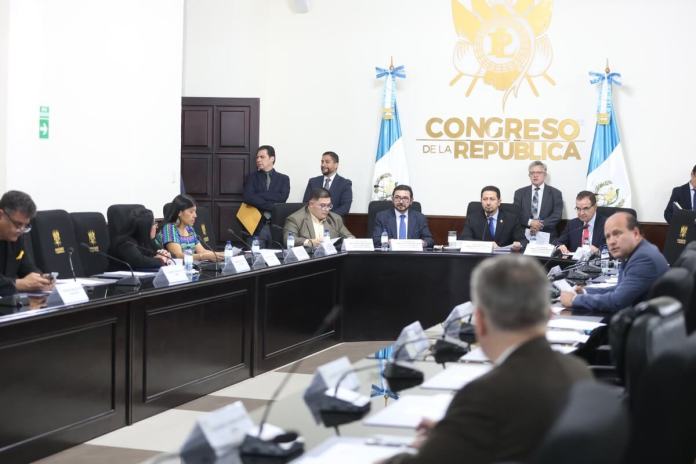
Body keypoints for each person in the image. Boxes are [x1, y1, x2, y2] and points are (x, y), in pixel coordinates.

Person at [382, 255, 592, 464]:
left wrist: (419, 448)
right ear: (548, 314)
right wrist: (455, 431)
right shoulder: (579, 370)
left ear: (480, 322)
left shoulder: (483, 394)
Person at [560, 212, 669, 313]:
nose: (611, 242)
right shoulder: (634, 253)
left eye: (617, 234)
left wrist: (575, 300)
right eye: (608, 236)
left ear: (635, 233)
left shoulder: (643, 258)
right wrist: (585, 292)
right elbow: (619, 288)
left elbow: (617, 301)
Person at [0, 191, 54, 296]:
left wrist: (41, 279)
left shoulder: (16, 237)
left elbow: (27, 267)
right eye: (18, 224)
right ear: (1, 215)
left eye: (25, 226)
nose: (21, 230)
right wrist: (18, 284)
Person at [243, 145, 290, 246]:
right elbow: (248, 197)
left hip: (276, 226)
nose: (258, 160)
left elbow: (282, 198)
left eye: (262, 157)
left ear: (272, 158)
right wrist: (273, 206)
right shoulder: (251, 177)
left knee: (276, 259)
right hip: (256, 226)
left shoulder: (284, 179)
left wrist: (259, 195)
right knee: (255, 259)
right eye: (257, 157)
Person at [459, 185, 526, 250]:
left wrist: (519, 244)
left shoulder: (511, 219)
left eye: (492, 199)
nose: (488, 203)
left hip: (504, 259)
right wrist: (487, 245)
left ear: (499, 202)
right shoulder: (472, 218)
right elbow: (465, 239)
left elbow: (523, 240)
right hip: (480, 258)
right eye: (485, 199)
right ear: (481, 201)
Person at [284, 188, 354, 248]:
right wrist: (309, 242)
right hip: (308, 260)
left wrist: (351, 240)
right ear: (311, 204)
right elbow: (288, 239)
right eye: (323, 205)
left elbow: (348, 236)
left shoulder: (335, 219)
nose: (327, 209)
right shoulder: (295, 219)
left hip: (331, 259)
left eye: (329, 205)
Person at [160, 194, 222, 261]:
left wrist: (222, 255)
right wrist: (203, 257)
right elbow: (178, 256)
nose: (195, 215)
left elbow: (202, 251)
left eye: (195, 211)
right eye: (191, 212)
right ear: (179, 213)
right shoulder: (169, 229)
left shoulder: (189, 229)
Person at [513, 161, 563, 241]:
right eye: (532, 173)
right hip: (524, 236)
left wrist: (539, 224)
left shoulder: (556, 193)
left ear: (545, 175)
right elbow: (516, 213)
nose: (535, 175)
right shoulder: (519, 193)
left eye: (539, 172)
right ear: (529, 175)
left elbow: (557, 215)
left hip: (547, 235)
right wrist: (530, 222)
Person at [554, 191, 606, 255]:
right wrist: (560, 246)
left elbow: (612, 250)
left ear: (595, 207)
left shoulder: (607, 224)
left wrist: (598, 251)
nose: (581, 213)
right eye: (578, 209)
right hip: (574, 263)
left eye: (586, 208)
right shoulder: (572, 224)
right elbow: (559, 242)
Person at [302, 151, 353, 216]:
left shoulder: (345, 184)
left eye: (327, 162)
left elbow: (345, 207)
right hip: (313, 221)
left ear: (336, 165)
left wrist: (326, 217)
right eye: (322, 162)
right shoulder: (313, 181)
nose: (323, 165)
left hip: (334, 223)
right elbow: (306, 203)